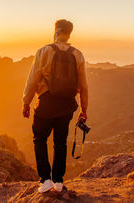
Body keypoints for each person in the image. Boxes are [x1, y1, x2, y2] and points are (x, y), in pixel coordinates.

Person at [22, 19, 88, 193]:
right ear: (69, 33)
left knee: (40, 139)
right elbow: (84, 86)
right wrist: (84, 110)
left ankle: (45, 181)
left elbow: (32, 79)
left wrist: (26, 103)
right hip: (67, 106)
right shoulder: (78, 55)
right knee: (60, 143)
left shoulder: (44, 51)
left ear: (56, 31)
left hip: (46, 103)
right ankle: (58, 181)